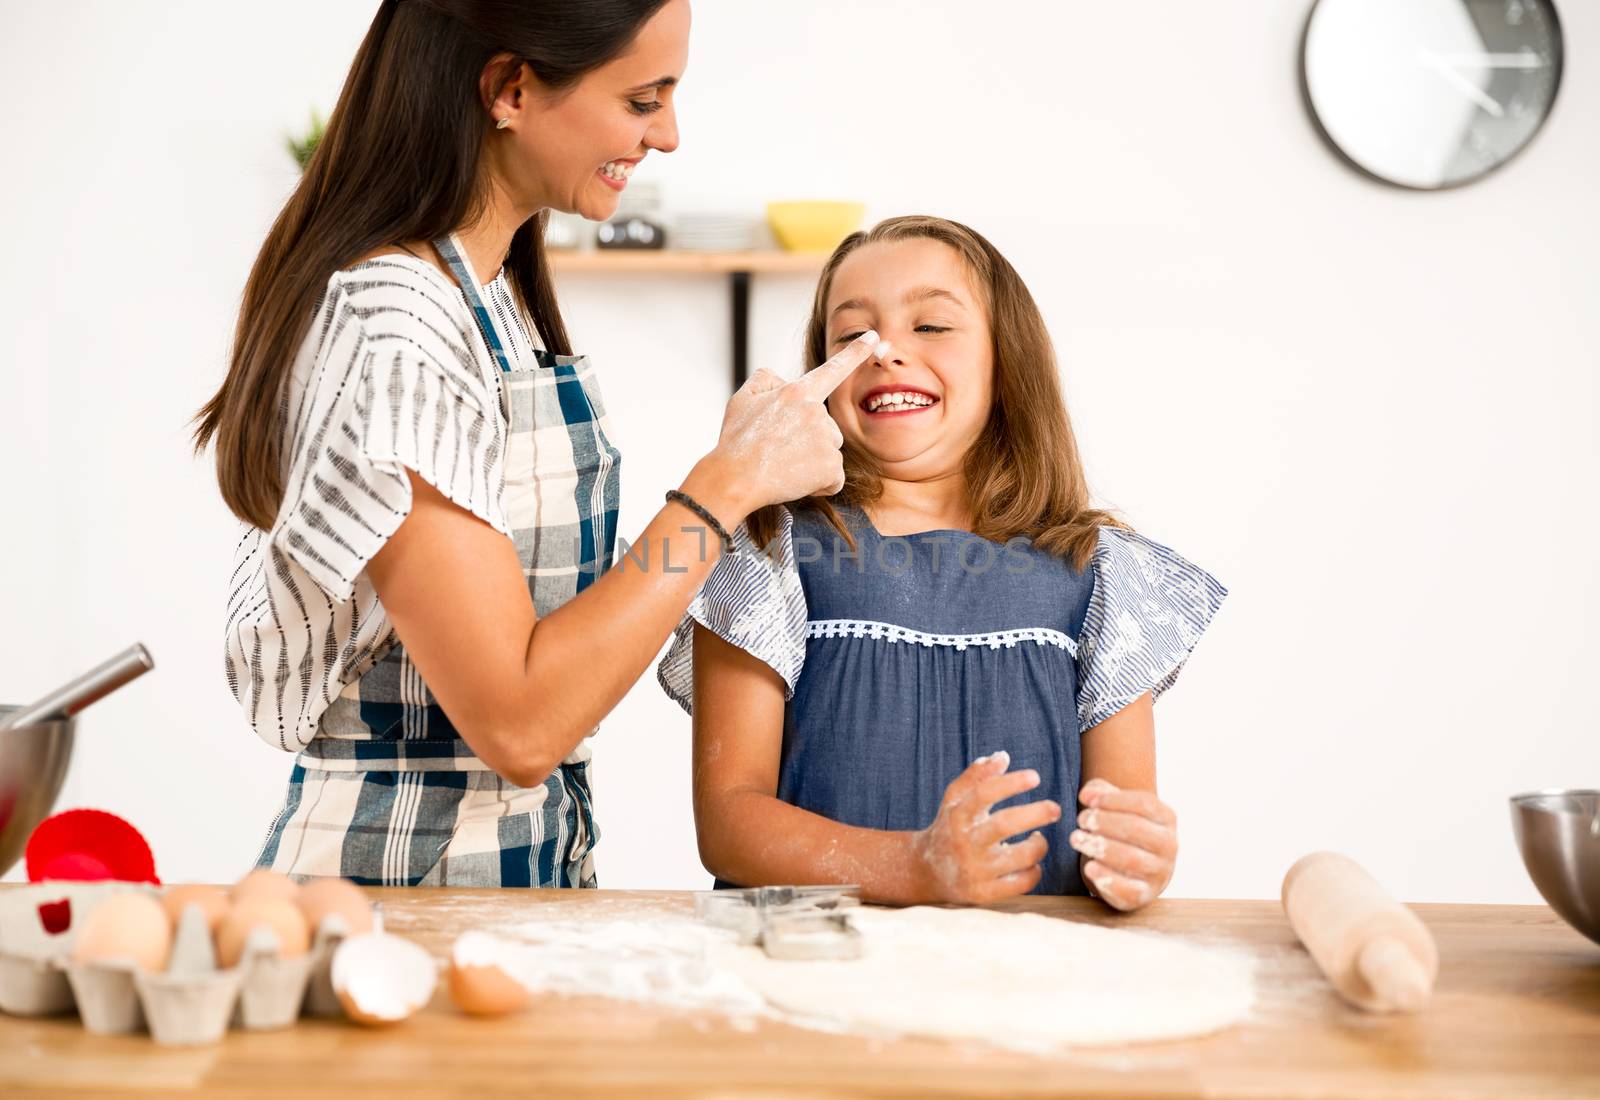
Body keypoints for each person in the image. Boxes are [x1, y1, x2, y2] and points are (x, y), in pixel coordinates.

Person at [193, 0, 875, 886]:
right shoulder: (403, 327)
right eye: (643, 99)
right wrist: (728, 483)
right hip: (403, 890)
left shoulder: (494, 299)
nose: (667, 134)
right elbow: (518, 724)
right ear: (509, 90)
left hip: (516, 869)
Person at [659, 216, 1228, 910]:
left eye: (930, 325)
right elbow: (728, 826)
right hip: (813, 974)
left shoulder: (1100, 571)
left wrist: (1137, 859)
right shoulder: (769, 548)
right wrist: (914, 866)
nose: (885, 351)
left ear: (1005, 358)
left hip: (1019, 989)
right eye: (851, 335)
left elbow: (1118, 826)